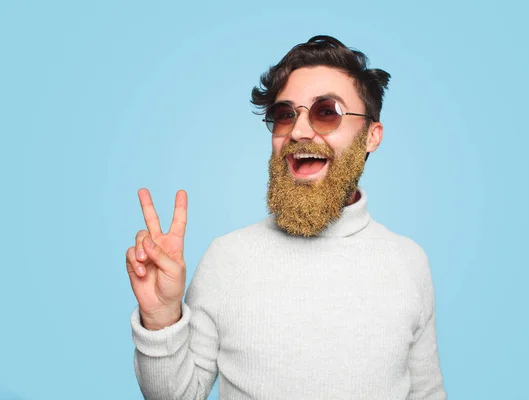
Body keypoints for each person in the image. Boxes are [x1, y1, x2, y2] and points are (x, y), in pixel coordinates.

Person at [126, 35, 446, 400]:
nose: (299, 131)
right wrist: (161, 318)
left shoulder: (408, 262)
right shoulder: (227, 258)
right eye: (285, 114)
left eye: (327, 111)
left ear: (372, 136)